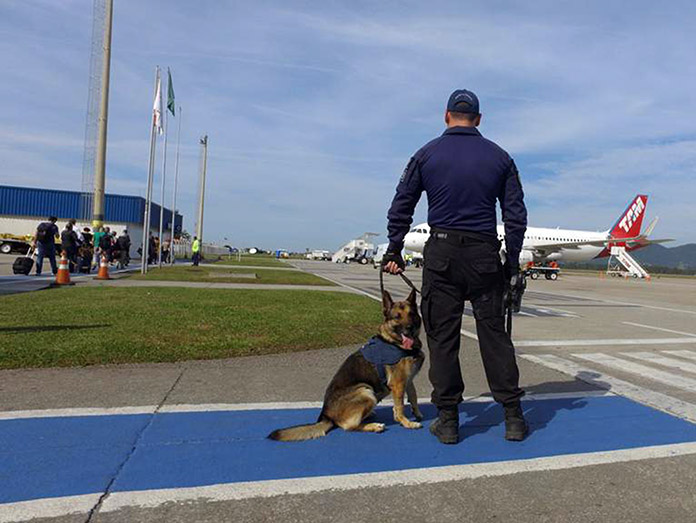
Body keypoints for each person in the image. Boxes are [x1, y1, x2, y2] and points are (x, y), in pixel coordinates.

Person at [383, 89, 528, 445]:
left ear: (446, 116)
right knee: (494, 336)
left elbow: (403, 202)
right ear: (478, 119)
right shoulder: (500, 157)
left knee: (443, 338)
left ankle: (448, 420)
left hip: (442, 254)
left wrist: (395, 246)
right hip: (483, 255)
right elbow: (516, 216)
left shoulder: (426, 154)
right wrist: (511, 261)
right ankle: (513, 417)